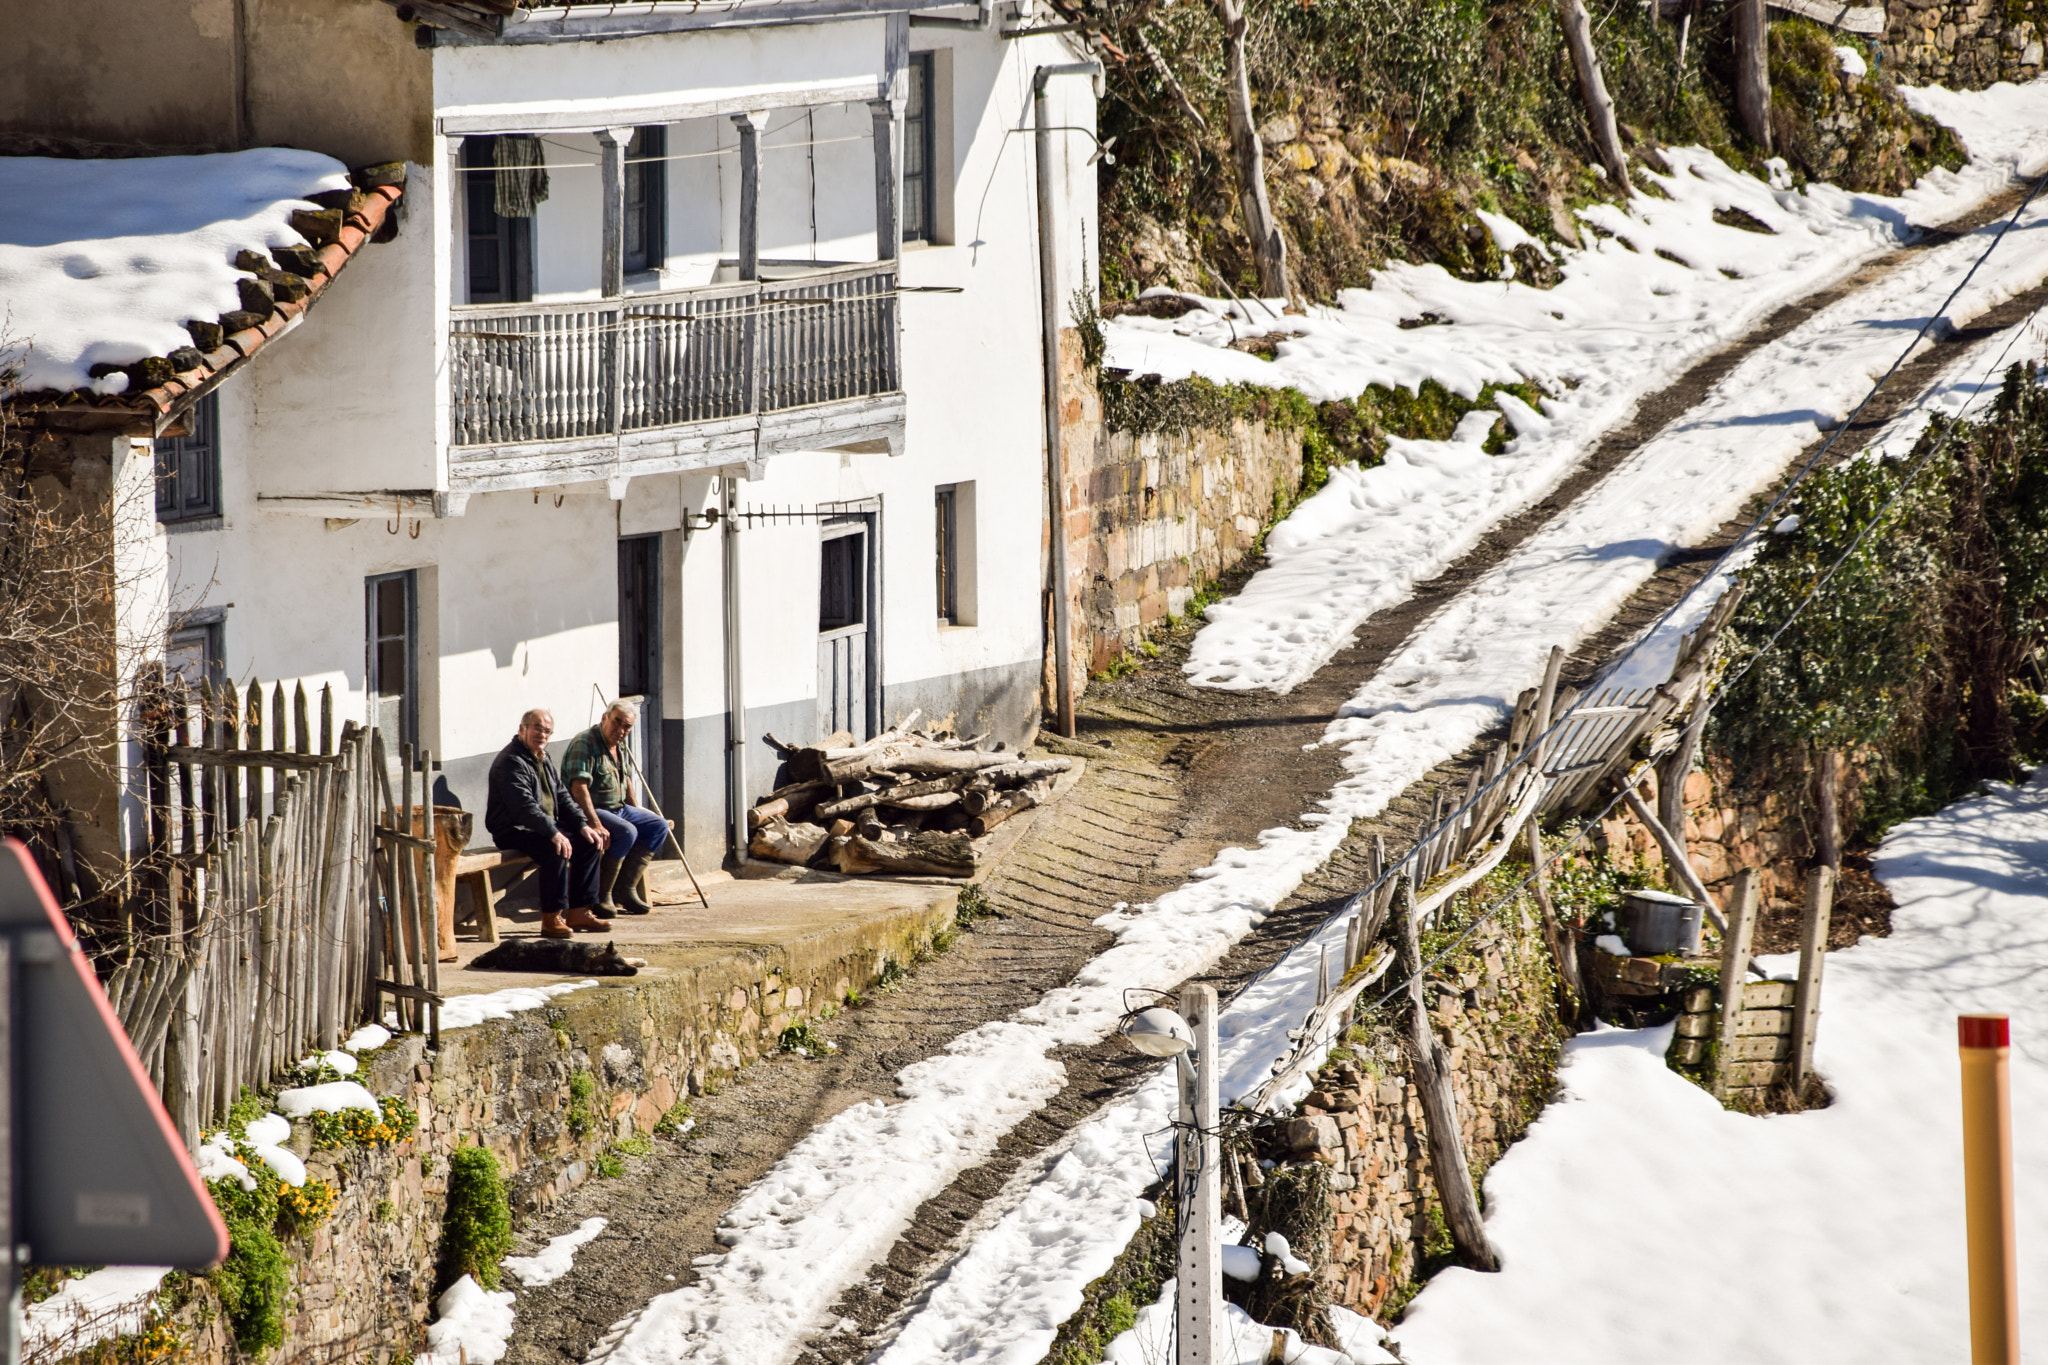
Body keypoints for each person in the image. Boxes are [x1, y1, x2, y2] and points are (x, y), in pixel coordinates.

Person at [485, 708, 609, 938]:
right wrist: (554, 832)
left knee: (589, 841)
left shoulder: (542, 756)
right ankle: (551, 918)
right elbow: (524, 808)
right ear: (522, 729)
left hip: (542, 826)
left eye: (547, 731)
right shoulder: (511, 761)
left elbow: (562, 795)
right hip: (513, 829)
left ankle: (580, 910)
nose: (542, 735)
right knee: (556, 848)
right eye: (537, 729)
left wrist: (582, 825)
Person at [561, 701, 667, 916]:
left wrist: (636, 809)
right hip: (588, 810)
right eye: (616, 722)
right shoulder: (586, 743)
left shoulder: (619, 745)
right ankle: (602, 895)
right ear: (604, 718)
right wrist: (595, 822)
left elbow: (625, 778)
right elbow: (578, 788)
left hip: (618, 808)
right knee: (627, 831)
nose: (620, 730)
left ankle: (625, 890)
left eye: (627, 726)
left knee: (658, 825)